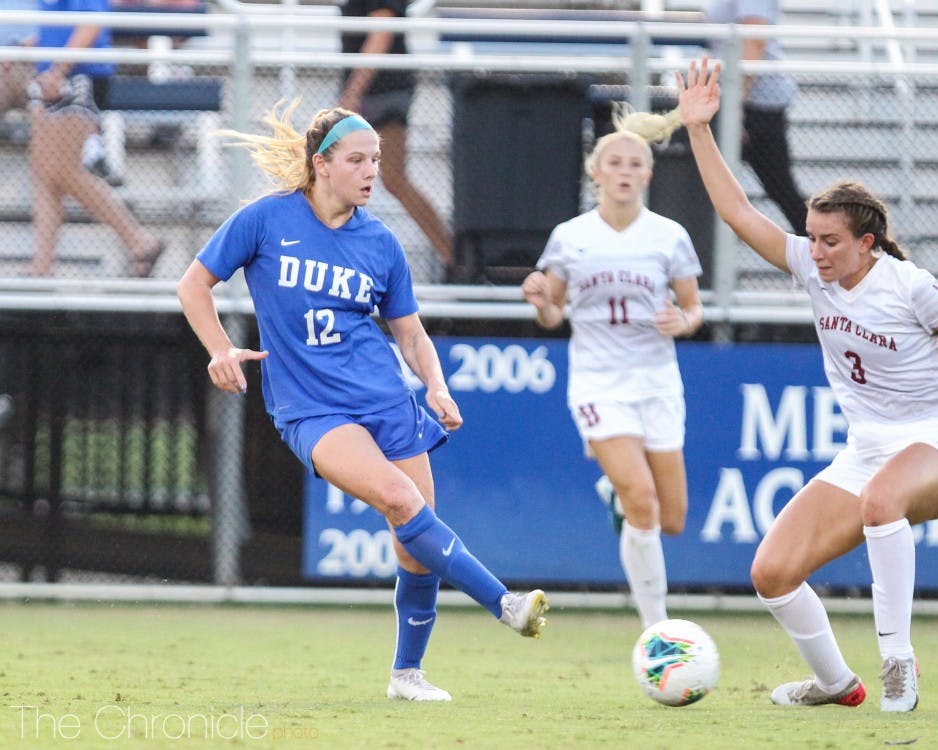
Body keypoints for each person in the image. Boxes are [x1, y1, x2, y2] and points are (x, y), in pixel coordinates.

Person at [177, 101, 549, 702]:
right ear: (321, 165)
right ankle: (502, 601)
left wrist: (436, 384)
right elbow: (193, 284)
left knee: (414, 544)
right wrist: (220, 348)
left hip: (389, 400)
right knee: (402, 500)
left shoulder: (381, 243)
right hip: (312, 410)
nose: (372, 170)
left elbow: (409, 332)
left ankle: (407, 675)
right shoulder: (266, 220)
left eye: (375, 159)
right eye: (357, 160)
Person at [672, 56, 938, 711]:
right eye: (811, 238)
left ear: (867, 243)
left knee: (882, 501)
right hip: (866, 449)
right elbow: (737, 212)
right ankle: (835, 684)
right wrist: (698, 129)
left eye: (828, 241)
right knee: (770, 572)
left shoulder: (911, 287)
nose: (814, 251)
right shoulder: (811, 269)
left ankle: (897, 664)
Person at [521, 108, 704, 628]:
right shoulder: (571, 236)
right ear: (595, 172)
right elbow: (554, 312)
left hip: (658, 381)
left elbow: (694, 308)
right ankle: (658, 631)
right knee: (642, 501)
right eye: (614, 162)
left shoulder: (668, 236)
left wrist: (682, 321)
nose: (624, 171)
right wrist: (539, 300)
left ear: (647, 174)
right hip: (598, 383)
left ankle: (614, 495)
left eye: (635, 163)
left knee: (671, 518)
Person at [25, 0, 163, 277]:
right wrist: (24, 49)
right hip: (49, 77)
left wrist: (57, 71)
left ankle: (140, 240)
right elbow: (56, 28)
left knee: (64, 170)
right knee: (44, 175)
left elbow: (92, 21)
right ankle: (41, 267)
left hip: (76, 76)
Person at [337, 0, 454, 274]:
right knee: (343, 179)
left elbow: (382, 31)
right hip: (374, 95)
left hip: (381, 96)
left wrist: (353, 93)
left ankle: (453, 257)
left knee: (390, 178)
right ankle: (452, 256)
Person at [704, 0, 807, 236]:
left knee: (781, 189)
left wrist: (735, 106)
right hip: (734, 101)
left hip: (755, 105)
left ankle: (826, 252)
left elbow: (754, 42)